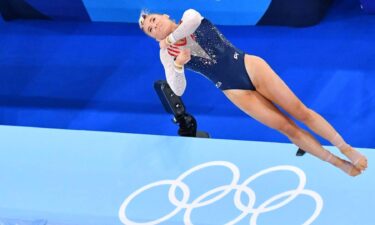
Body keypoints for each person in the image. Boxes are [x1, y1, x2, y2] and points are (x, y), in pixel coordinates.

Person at [138, 9, 368, 176]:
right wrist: (178, 64)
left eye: (154, 20)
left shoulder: (188, 16)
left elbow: (193, 22)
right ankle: (338, 163)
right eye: (150, 30)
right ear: (152, 38)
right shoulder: (166, 55)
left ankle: (346, 148)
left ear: (165, 15)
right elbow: (178, 88)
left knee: (300, 112)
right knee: (286, 127)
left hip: (249, 66)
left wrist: (169, 38)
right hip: (232, 89)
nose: (154, 26)